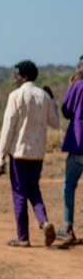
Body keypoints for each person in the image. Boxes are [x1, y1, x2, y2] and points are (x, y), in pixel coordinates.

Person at [0, 60, 59, 247]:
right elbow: (55, 122)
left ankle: (23, 237)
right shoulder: (44, 96)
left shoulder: (16, 96)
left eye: (16, 75)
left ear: (24, 77)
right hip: (38, 153)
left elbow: (8, 127)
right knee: (34, 189)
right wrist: (53, 100)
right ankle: (44, 221)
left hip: (19, 153)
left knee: (19, 194)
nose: (14, 79)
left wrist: (0, 157)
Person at [58, 55, 83, 242]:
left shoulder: (77, 86)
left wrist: (70, 87)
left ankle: (68, 227)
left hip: (78, 145)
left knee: (69, 187)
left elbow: (66, 111)